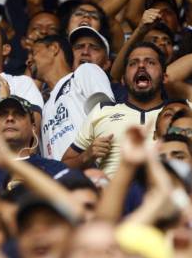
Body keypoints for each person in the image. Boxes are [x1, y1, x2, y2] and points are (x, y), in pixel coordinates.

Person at [63, 43, 167, 176]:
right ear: (123, 80)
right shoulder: (101, 111)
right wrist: (86, 156)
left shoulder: (179, 111)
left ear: (165, 77)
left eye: (150, 62)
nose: (141, 66)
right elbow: (63, 166)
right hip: (111, 194)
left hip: (165, 192)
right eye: (133, 63)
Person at [28, 34, 114, 160]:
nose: (28, 60)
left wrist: (82, 157)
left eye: (33, 52)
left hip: (98, 171)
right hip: (60, 178)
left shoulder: (84, 72)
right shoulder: (44, 108)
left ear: (54, 48)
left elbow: (107, 116)